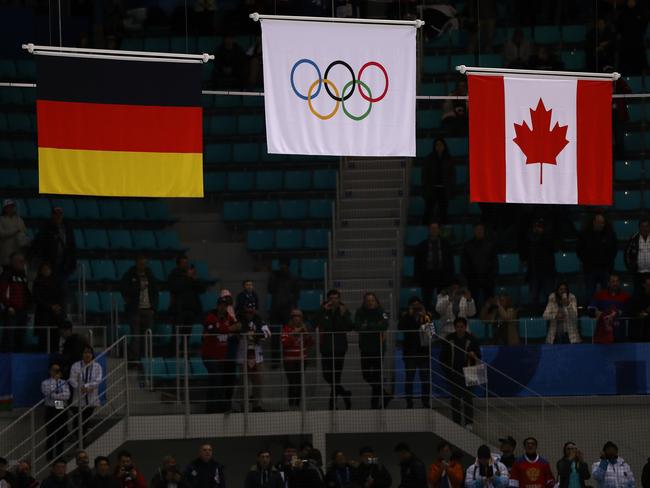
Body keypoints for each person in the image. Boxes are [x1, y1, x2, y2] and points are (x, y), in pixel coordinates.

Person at [314, 289, 353, 410]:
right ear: (328, 299)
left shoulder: (344, 310)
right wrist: (322, 311)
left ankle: (332, 403)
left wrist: (342, 315)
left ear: (339, 299)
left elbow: (350, 327)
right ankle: (345, 394)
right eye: (331, 298)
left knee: (336, 377)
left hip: (340, 347)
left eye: (336, 298)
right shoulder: (323, 310)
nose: (333, 300)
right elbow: (313, 323)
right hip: (326, 348)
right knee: (327, 375)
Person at [440, 317, 481, 428]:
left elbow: (478, 356)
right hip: (454, 374)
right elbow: (442, 358)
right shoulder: (449, 339)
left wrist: (474, 356)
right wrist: (448, 372)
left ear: (465, 327)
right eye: (457, 327)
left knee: (468, 399)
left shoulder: (472, 339)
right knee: (455, 400)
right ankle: (456, 423)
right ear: (454, 327)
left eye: (461, 327)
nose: (459, 329)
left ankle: (469, 423)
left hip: (469, 374)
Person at [202, 296, 241, 413]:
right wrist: (229, 329)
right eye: (221, 305)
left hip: (221, 356)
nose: (223, 307)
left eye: (225, 305)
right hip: (209, 355)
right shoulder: (210, 316)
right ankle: (212, 408)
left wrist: (228, 328)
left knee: (223, 380)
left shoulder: (228, 317)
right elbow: (213, 330)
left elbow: (239, 326)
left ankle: (218, 407)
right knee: (216, 377)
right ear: (217, 305)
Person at [354, 292, 392, 409]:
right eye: (368, 300)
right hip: (365, 348)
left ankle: (374, 404)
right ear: (364, 301)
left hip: (379, 349)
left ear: (376, 301)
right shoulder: (360, 312)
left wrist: (368, 325)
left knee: (376, 377)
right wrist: (375, 325)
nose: (370, 302)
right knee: (366, 375)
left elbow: (385, 325)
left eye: (372, 300)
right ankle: (385, 395)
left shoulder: (382, 311)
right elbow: (357, 326)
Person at [121, 256, 158, 361]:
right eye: (141, 263)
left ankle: (148, 358)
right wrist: (138, 288)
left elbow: (155, 292)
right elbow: (125, 290)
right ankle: (135, 359)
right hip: (135, 310)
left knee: (148, 337)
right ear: (136, 263)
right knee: (136, 336)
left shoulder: (150, 275)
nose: (143, 265)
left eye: (144, 263)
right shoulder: (129, 275)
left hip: (148, 310)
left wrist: (153, 307)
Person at [398, 296, 432, 409]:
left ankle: (426, 402)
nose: (416, 308)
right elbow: (400, 327)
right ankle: (409, 403)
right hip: (410, 353)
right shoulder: (406, 316)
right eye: (414, 306)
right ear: (410, 307)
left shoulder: (426, 316)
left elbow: (430, 333)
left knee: (425, 379)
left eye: (418, 305)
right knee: (409, 379)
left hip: (423, 353)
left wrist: (424, 316)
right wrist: (409, 315)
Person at [576, 214, 618, 303]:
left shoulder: (609, 234)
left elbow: (614, 250)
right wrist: (587, 261)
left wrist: (608, 262)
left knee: (607, 292)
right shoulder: (585, 234)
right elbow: (579, 250)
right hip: (590, 269)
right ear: (594, 222)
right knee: (590, 292)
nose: (601, 224)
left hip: (605, 268)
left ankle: (607, 311)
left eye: (602, 223)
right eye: (599, 222)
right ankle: (590, 311)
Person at [237, 303, 271, 412]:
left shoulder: (259, 320)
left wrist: (256, 334)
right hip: (243, 356)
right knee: (242, 382)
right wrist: (245, 333)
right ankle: (242, 405)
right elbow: (234, 331)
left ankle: (256, 405)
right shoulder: (239, 319)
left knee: (258, 381)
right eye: (247, 311)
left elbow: (267, 333)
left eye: (251, 311)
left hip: (257, 357)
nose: (249, 314)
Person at [30, 207, 76, 285]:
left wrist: (71, 264)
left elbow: (72, 247)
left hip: (63, 266)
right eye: (56, 214)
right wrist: (42, 264)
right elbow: (38, 246)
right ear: (52, 215)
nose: (58, 216)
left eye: (60, 214)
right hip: (48, 265)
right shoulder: (45, 229)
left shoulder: (67, 229)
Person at [414, 223, 454, 311]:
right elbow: (417, 263)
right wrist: (418, 277)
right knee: (427, 299)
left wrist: (450, 277)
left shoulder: (446, 245)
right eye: (432, 228)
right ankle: (427, 316)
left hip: (442, 275)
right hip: (427, 275)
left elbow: (450, 262)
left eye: (436, 228)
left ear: (439, 230)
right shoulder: (422, 245)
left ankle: (442, 316)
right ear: (429, 230)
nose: (434, 230)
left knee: (443, 300)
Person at [68, 346, 103, 447]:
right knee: (78, 420)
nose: (87, 355)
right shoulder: (76, 365)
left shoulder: (97, 366)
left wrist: (87, 386)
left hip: (91, 399)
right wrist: (81, 387)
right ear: (82, 354)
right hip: (78, 398)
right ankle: (79, 440)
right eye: (85, 352)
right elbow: (72, 379)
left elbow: (98, 379)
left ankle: (81, 442)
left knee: (85, 420)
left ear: (92, 355)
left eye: (89, 353)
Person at [522, 218, 556, 312]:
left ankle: (550, 319)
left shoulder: (548, 238)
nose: (538, 229)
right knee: (533, 298)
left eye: (540, 227)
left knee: (550, 298)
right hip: (534, 272)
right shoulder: (529, 239)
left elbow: (551, 245)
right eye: (536, 227)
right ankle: (534, 319)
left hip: (547, 272)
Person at [281, 309, 313, 408]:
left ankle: (298, 404)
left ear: (301, 318)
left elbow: (311, 343)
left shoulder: (304, 328)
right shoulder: (286, 328)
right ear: (291, 318)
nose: (296, 318)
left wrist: (306, 334)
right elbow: (285, 343)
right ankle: (291, 404)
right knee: (292, 382)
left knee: (299, 382)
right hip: (289, 360)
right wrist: (294, 333)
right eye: (294, 316)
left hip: (302, 359)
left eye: (298, 316)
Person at [461, 223, 498, 307]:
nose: (480, 232)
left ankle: (489, 317)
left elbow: (494, 262)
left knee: (490, 302)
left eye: (481, 229)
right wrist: (469, 276)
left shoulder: (490, 244)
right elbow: (464, 264)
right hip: (473, 278)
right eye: (478, 230)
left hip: (488, 278)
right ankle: (474, 317)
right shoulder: (468, 245)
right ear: (474, 231)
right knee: (473, 301)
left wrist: (492, 276)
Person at [0, 252, 31, 352]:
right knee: (9, 336)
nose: (23, 263)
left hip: (23, 310)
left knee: (21, 335)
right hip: (11, 311)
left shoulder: (23, 276)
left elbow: (26, 293)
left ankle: (20, 358)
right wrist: (8, 306)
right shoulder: (6, 274)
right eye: (20, 261)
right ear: (13, 262)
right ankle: (6, 359)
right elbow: (2, 292)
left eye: (23, 261)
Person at [33, 262, 66, 351]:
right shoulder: (37, 282)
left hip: (55, 315)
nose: (46, 271)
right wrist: (50, 306)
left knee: (55, 338)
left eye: (47, 269)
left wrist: (58, 307)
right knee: (43, 339)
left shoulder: (57, 282)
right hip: (43, 315)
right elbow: (37, 298)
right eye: (44, 269)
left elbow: (62, 295)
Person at [422, 138, 455, 225]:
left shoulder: (449, 159)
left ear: (444, 146)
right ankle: (425, 227)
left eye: (441, 144)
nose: (439, 147)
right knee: (428, 209)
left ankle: (443, 229)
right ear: (434, 146)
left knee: (443, 210)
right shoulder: (429, 159)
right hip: (432, 188)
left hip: (444, 189)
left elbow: (452, 175)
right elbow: (425, 175)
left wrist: (451, 188)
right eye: (437, 145)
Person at [41, 363, 71, 460]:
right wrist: (55, 381)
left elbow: (67, 396)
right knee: (50, 433)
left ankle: (59, 456)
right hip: (50, 408)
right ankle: (49, 457)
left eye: (58, 370)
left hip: (60, 407)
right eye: (54, 370)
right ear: (50, 371)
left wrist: (57, 396)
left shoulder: (64, 382)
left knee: (61, 433)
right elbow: (49, 394)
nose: (56, 372)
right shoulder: (45, 383)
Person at [591, 275, 632, 343]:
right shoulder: (599, 295)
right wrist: (597, 312)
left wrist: (619, 312)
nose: (615, 283)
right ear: (608, 283)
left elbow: (629, 311)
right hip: (603, 333)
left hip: (619, 332)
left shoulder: (626, 296)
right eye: (613, 281)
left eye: (617, 281)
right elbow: (591, 310)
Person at [168, 255, 204, 327]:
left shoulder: (190, 275)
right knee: (177, 331)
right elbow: (176, 287)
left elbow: (201, 289)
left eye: (187, 263)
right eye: (184, 263)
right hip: (179, 309)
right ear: (178, 264)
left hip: (191, 308)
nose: (186, 265)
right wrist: (187, 277)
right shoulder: (174, 274)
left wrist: (195, 279)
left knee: (187, 331)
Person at [268, 257, 300, 328]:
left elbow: (296, 295)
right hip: (275, 308)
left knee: (287, 331)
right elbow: (270, 289)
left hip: (287, 309)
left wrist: (291, 304)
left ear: (288, 266)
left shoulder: (293, 278)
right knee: (275, 331)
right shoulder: (274, 276)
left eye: (284, 265)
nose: (282, 267)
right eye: (281, 265)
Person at [0, 199, 29, 268]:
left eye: (12, 207)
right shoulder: (1, 219)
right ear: (5, 208)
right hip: (6, 252)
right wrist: (14, 231)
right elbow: (1, 233)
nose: (11, 208)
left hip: (18, 252)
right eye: (9, 207)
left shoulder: (19, 219)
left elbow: (25, 231)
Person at [625, 218, 650, 292]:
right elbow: (627, 254)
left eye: (647, 226)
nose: (645, 228)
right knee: (638, 293)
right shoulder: (633, 238)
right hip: (638, 273)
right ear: (639, 228)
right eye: (643, 226)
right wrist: (631, 267)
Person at [631, 276, 650, 341]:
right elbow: (631, 311)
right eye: (648, 285)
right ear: (644, 285)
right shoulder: (637, 298)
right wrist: (639, 314)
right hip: (640, 331)